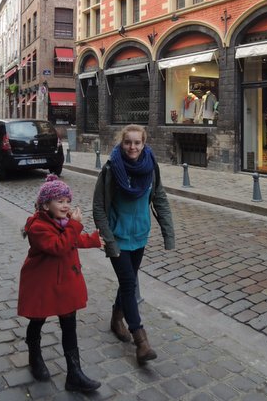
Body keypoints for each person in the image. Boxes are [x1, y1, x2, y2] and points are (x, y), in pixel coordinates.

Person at [93, 124, 175, 365]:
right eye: (128, 142)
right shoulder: (110, 169)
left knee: (127, 282)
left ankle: (116, 318)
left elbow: (159, 198)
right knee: (129, 283)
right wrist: (108, 240)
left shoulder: (150, 168)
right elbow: (98, 207)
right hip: (117, 237)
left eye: (137, 143)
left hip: (140, 235)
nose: (132, 147)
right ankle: (141, 340)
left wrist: (168, 234)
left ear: (144, 143)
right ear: (122, 143)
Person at [18, 174, 103, 392]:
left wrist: (92, 240)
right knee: (37, 320)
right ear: (46, 204)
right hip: (42, 283)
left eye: (67, 201)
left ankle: (74, 373)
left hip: (65, 282)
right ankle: (34, 354)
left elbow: (72, 239)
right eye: (60, 201)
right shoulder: (37, 227)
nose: (66, 206)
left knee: (69, 325)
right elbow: (58, 245)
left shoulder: (64, 223)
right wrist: (75, 225)